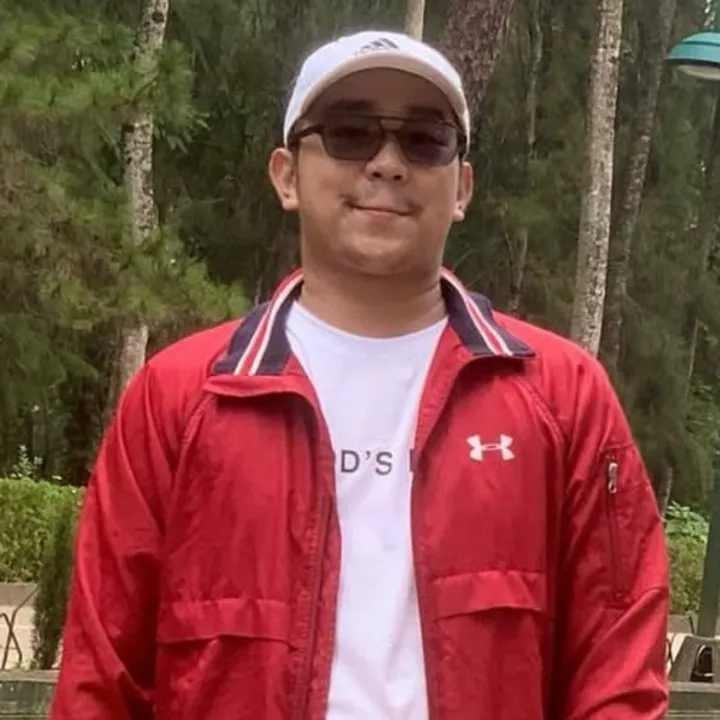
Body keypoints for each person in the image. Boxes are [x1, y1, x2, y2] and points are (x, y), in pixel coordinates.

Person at [50, 30, 670, 720]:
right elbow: (101, 681)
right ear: (287, 176)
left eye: (425, 139)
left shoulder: (562, 398)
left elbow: (617, 675)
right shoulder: (180, 398)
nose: (387, 163)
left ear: (462, 188)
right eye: (349, 132)